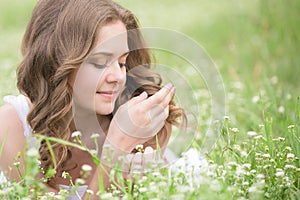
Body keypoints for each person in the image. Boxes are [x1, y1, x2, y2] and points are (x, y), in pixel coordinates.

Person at [0, 0, 184, 199]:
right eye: (99, 62)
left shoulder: (135, 117)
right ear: (56, 62)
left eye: (122, 63)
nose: (118, 77)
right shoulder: (11, 125)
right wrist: (116, 149)